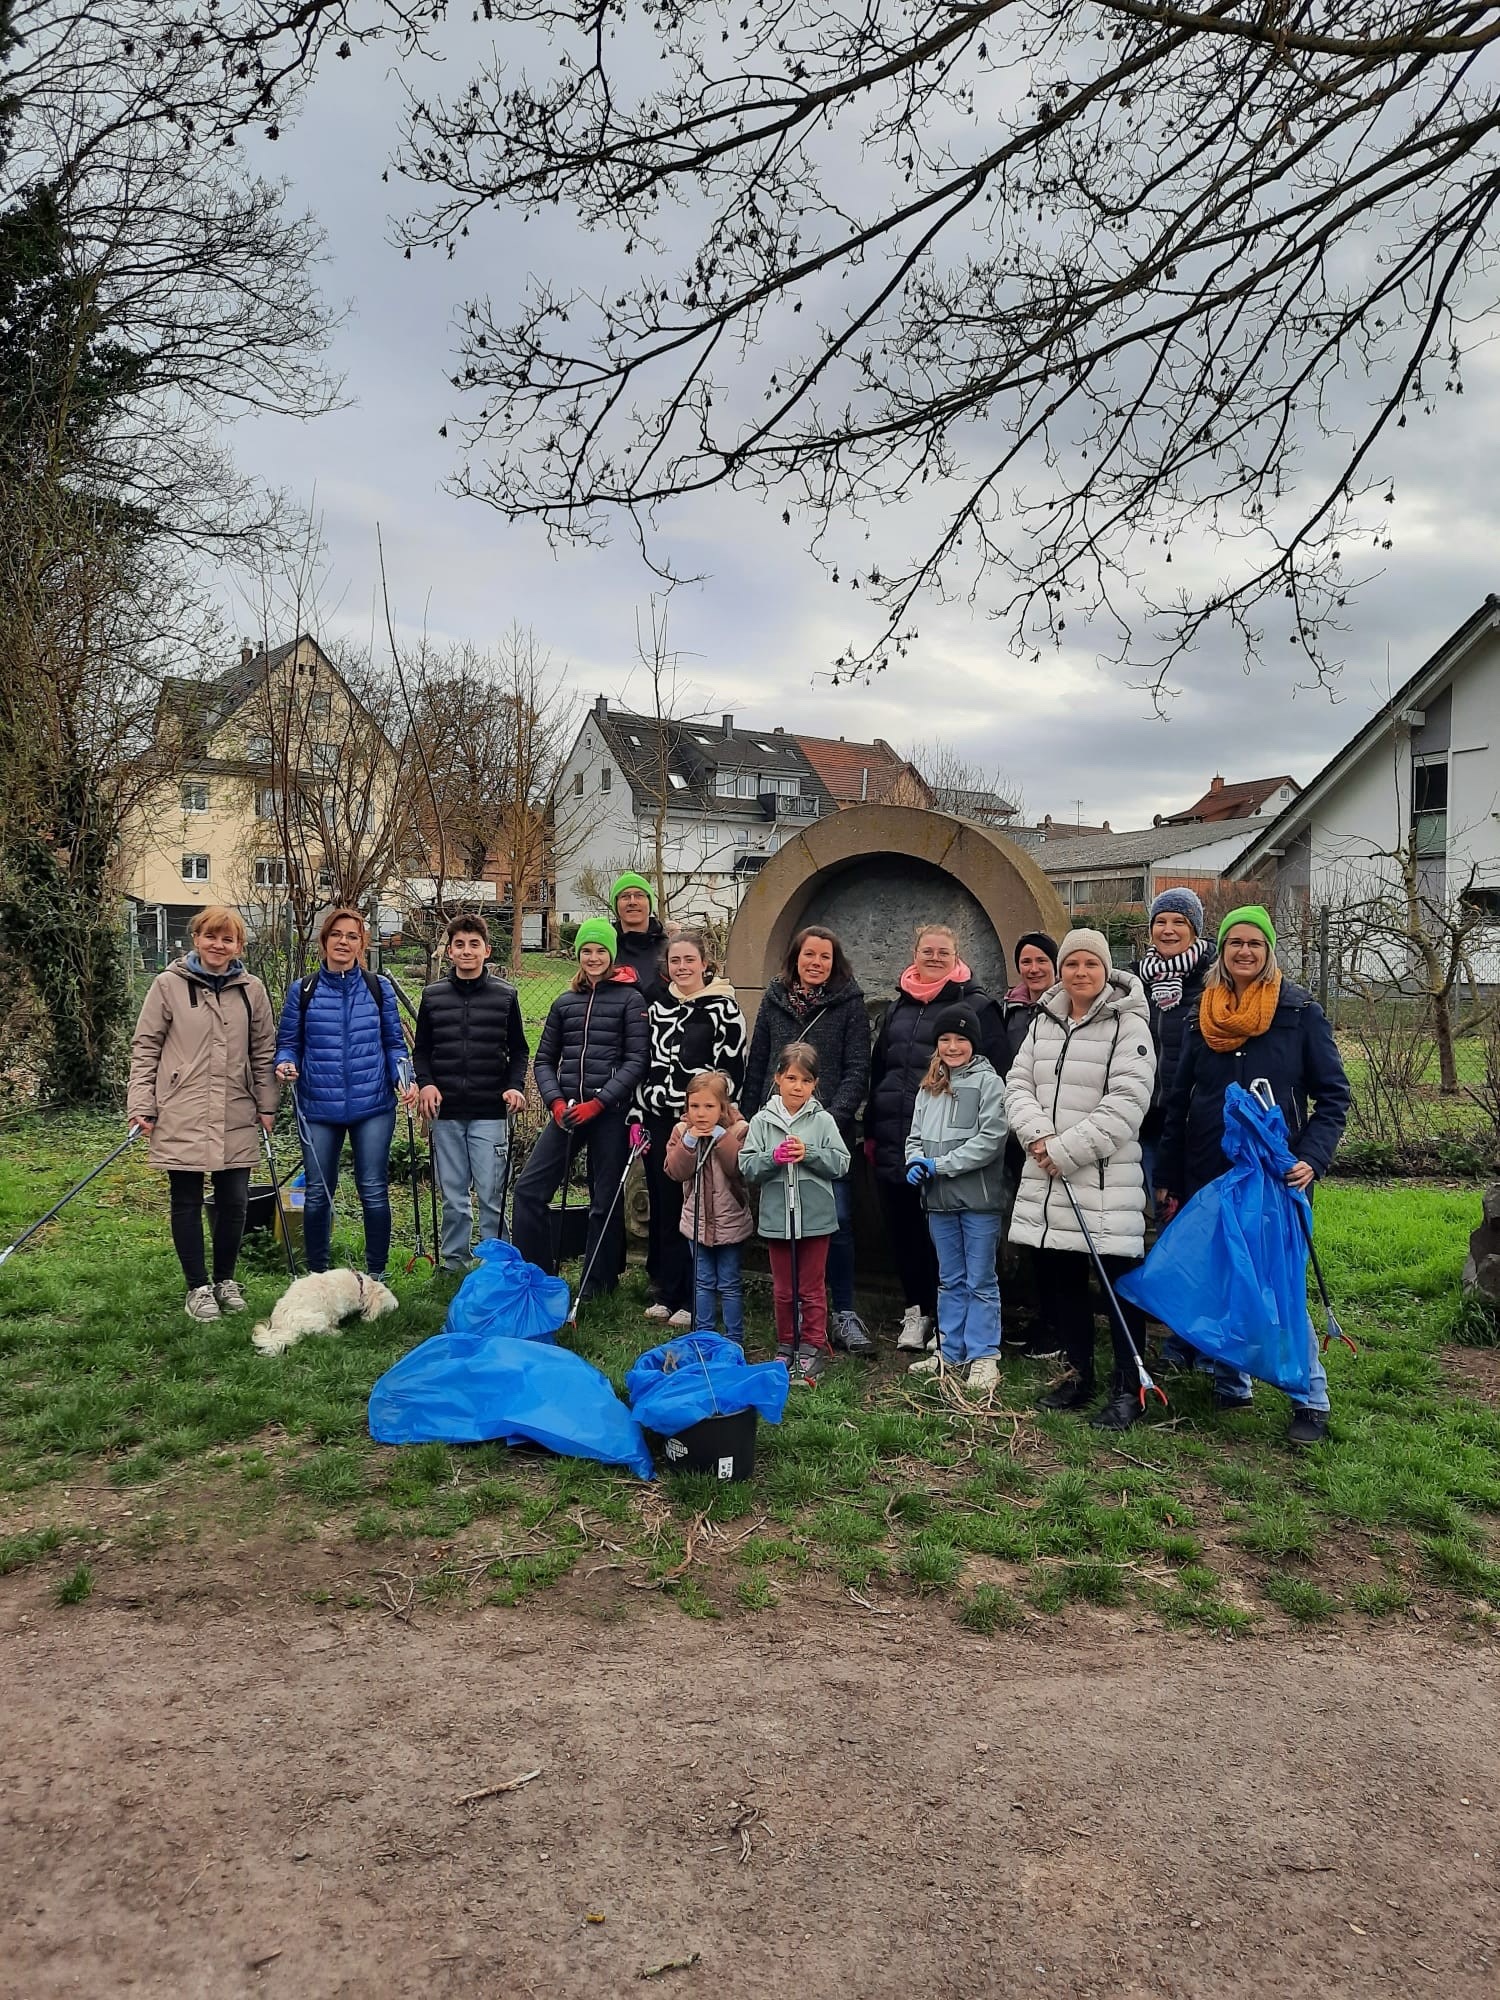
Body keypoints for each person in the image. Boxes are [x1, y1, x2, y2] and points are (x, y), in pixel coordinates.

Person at [1156, 905, 1351, 1446]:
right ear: (1222, 951)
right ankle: (1232, 1381)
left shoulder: (1299, 1011)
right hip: (1210, 1167)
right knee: (1224, 1274)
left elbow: (1334, 1096)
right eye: (1235, 943)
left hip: (1277, 1172)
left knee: (1279, 1282)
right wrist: (1170, 1172)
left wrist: (1312, 1156)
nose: (1244, 952)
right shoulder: (1203, 1013)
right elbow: (1180, 1100)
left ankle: (1309, 1397)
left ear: (1268, 951)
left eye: (1255, 944)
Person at [1004, 929, 1157, 1430]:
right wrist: (1038, 1138)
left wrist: (1064, 1151)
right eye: (1072, 965)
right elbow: (1018, 1083)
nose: (1080, 974)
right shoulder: (1044, 1021)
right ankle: (1077, 1373)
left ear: (1105, 968)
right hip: (1048, 1181)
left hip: (1104, 1182)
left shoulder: (1127, 1024)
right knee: (1061, 1284)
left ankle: (1129, 1384)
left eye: (1090, 965)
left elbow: (1128, 1103)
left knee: (1118, 1290)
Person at [128, 906, 278, 1321]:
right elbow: (146, 1047)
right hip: (182, 1108)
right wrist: (142, 1103)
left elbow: (264, 1050)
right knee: (186, 1200)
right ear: (196, 939)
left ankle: (225, 1280)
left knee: (234, 1201)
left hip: (236, 1107)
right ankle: (197, 1286)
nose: (218, 945)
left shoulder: (253, 990)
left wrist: (267, 1104)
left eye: (227, 939)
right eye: (211, 936)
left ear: (238, 947)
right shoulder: (167, 985)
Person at [866, 922, 1007, 1353]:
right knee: (906, 1230)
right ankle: (919, 1312)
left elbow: (996, 1070)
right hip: (900, 1138)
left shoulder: (976, 1006)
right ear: (914, 953)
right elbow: (880, 1071)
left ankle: (963, 1331)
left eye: (942, 952)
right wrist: (873, 1129)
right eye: (926, 950)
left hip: (955, 1154)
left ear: (957, 956)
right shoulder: (896, 1008)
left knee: (950, 1243)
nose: (933, 958)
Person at [742, 924, 873, 1356]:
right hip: (776, 1125)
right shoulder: (775, 1000)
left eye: (825, 957)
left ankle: (843, 1311)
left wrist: (827, 1120)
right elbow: (758, 1059)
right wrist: (750, 1115)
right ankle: (791, 1316)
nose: (816, 963)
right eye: (809, 955)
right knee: (782, 1224)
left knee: (836, 1222)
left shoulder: (849, 1004)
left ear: (835, 963)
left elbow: (857, 1067)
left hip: (824, 1126)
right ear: (795, 958)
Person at [510, 919, 650, 1300]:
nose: (593, 957)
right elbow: (543, 1060)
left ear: (611, 955)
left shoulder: (631, 1000)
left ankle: (597, 1283)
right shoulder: (564, 1002)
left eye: (600, 951)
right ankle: (536, 1276)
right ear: (578, 956)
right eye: (586, 951)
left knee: (603, 1200)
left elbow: (637, 1061)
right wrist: (555, 1101)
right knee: (529, 1190)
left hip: (609, 1113)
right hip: (568, 1112)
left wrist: (600, 1102)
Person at [274, 907, 408, 1279]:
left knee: (374, 1190)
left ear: (361, 943)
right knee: (317, 1192)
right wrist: (284, 1064)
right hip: (318, 1106)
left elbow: (395, 1045)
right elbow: (287, 1043)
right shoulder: (303, 990)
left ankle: (376, 1277)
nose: (343, 942)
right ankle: (318, 1275)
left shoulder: (378, 988)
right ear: (325, 941)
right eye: (337, 935)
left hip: (374, 1106)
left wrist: (404, 1077)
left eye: (352, 936)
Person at [636, 929, 748, 1328]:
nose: (682, 968)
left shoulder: (723, 1008)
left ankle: (692, 1297)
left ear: (704, 964)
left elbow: (732, 1071)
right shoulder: (656, 1008)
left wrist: (706, 1117)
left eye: (689, 960)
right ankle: (667, 1290)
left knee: (697, 1207)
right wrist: (638, 1116)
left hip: (701, 1124)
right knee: (666, 1205)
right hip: (657, 1117)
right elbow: (642, 1063)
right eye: (675, 961)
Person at [412, 912, 529, 1271]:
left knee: (492, 1194)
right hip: (445, 1113)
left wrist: (514, 1087)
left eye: (473, 944)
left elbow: (520, 1050)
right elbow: (421, 1052)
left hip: (489, 1111)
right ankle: (454, 1262)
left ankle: (496, 1263)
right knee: (453, 1196)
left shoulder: (505, 996)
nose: (466, 951)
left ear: (486, 951)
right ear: (449, 952)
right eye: (459, 945)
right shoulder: (433, 997)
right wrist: (426, 1083)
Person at [903, 1004, 1008, 1392]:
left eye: (960, 1039)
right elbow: (914, 1136)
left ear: (973, 1044)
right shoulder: (929, 1086)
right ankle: (950, 1349)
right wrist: (914, 1160)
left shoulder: (988, 1084)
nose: (952, 1046)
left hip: (977, 1201)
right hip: (938, 1202)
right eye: (945, 1039)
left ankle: (984, 1355)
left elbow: (990, 1141)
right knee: (950, 1278)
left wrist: (940, 1164)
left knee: (980, 1278)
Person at [740, 1041, 851, 1385]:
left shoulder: (823, 1120)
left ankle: (813, 1345)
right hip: (777, 1219)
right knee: (784, 1289)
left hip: (816, 1219)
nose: (797, 1086)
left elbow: (842, 1162)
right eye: (791, 1078)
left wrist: (811, 1153)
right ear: (777, 1079)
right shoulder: (761, 1120)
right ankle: (787, 1343)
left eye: (805, 1080)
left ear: (815, 1084)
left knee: (812, 1287)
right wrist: (773, 1157)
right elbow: (746, 1165)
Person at [664, 1070, 752, 1339]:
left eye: (709, 1107)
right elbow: (674, 1171)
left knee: (729, 1282)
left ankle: (734, 1339)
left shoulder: (738, 1130)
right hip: (697, 1222)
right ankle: (704, 1337)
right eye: (694, 1106)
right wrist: (689, 1141)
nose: (701, 1114)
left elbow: (738, 1168)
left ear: (723, 1106)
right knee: (702, 1282)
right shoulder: (681, 1131)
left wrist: (720, 1137)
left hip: (730, 1222)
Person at [608, 871, 669, 999]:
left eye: (639, 895)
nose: (632, 902)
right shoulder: (606, 948)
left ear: (649, 902)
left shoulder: (668, 949)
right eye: (625, 896)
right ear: (616, 904)